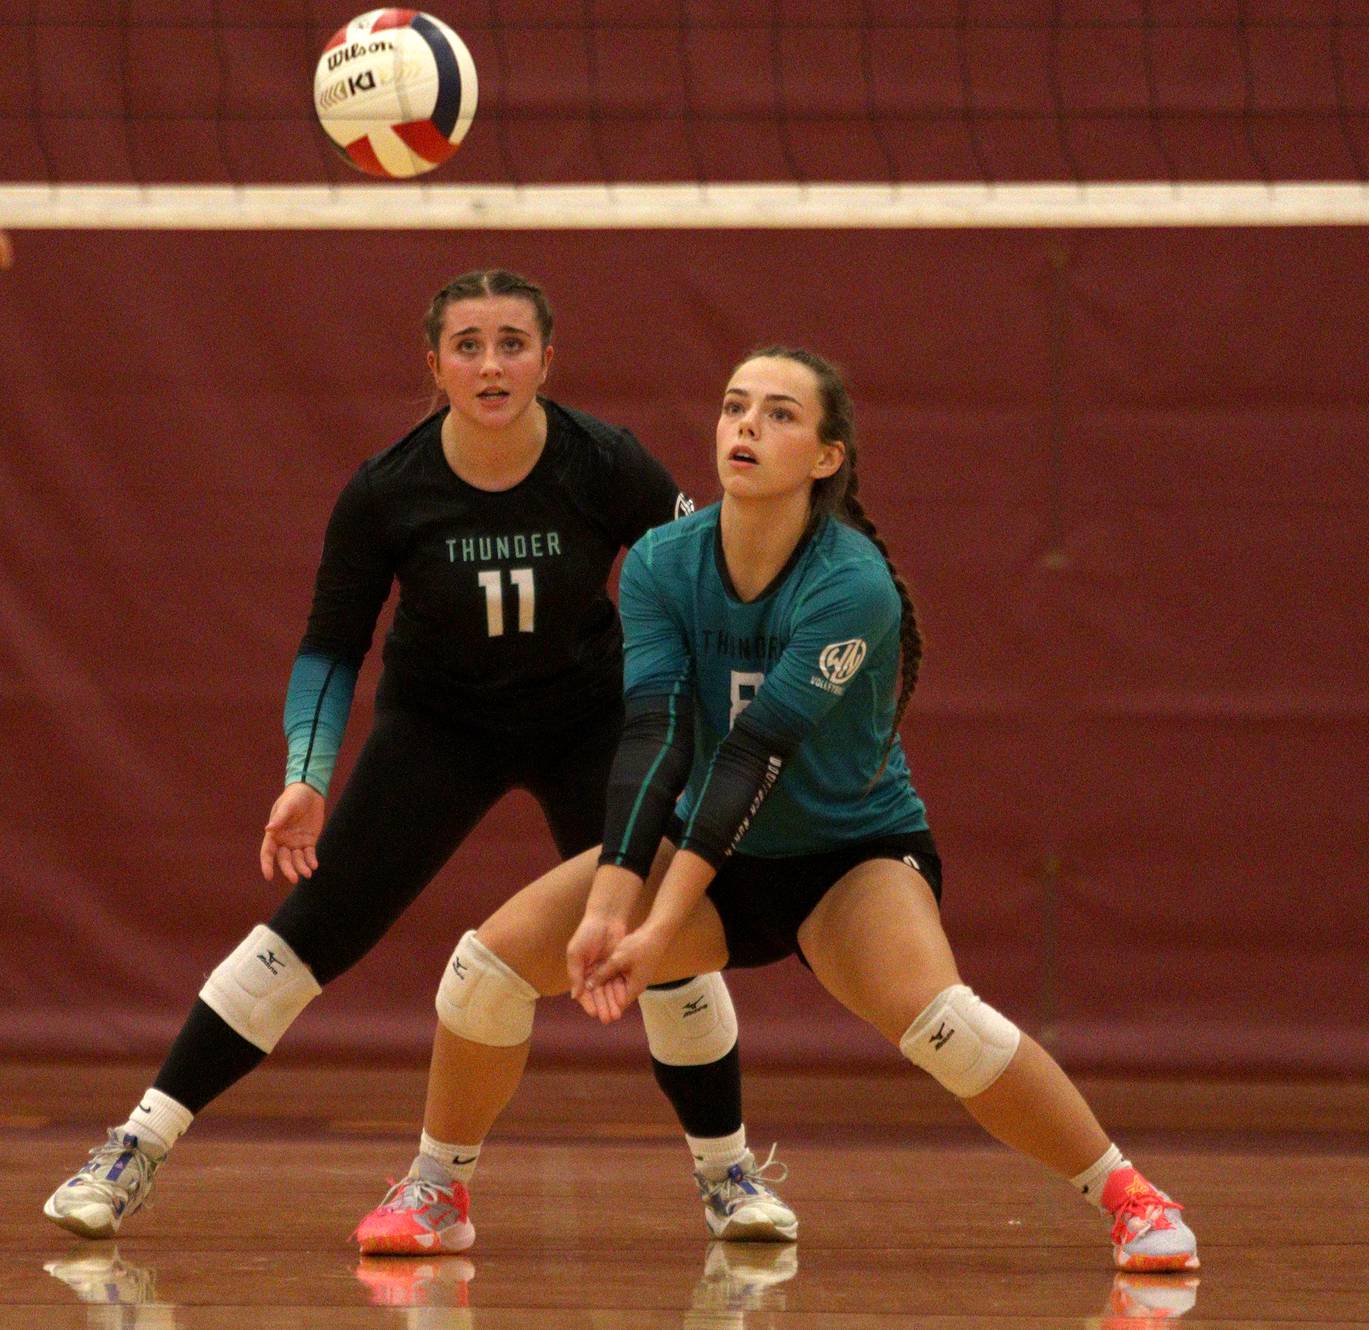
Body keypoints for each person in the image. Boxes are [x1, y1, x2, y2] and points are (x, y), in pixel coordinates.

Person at [352, 345, 1199, 1273]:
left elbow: (753, 756)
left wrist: (653, 929)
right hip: (712, 854)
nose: (746, 425)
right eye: (733, 406)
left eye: (781, 413)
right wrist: (607, 906)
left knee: (945, 1024)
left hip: (848, 858)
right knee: (485, 970)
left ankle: (1131, 1198)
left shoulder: (851, 582)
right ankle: (439, 1186)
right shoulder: (665, 564)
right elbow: (656, 739)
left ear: (827, 457)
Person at [44, 269, 793, 1246]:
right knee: (315, 924)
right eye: (470, 344)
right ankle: (134, 1145)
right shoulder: (389, 489)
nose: (492, 363)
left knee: (658, 929)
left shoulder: (602, 462)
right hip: (440, 724)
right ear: (434, 363)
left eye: (513, 343)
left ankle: (728, 1171)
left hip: (588, 720)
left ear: (546, 360)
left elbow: (701, 577)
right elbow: (330, 643)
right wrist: (304, 775)